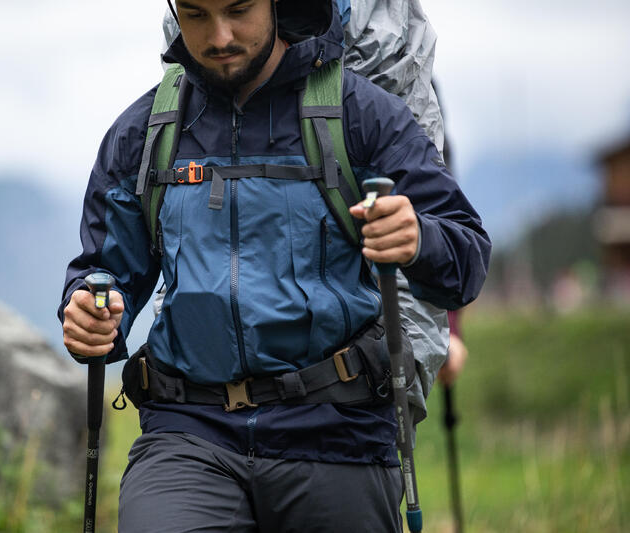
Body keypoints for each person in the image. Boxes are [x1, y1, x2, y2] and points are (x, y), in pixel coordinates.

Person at [59, 0, 490, 531]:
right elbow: (104, 270)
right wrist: (90, 310)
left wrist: (418, 238)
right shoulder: (146, 132)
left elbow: (465, 259)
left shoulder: (359, 114)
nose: (219, 36)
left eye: (238, 9)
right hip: (187, 432)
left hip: (337, 432)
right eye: (196, 15)